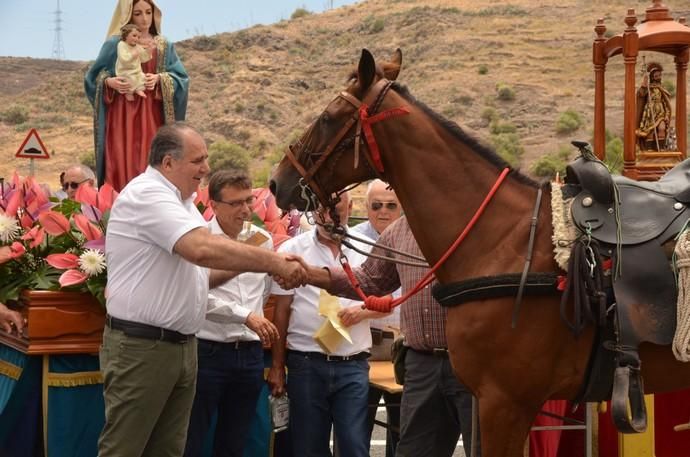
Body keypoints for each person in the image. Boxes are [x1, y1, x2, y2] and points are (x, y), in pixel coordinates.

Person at [98, 122, 306, 457]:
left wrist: (268, 261)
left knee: (168, 450)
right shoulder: (149, 195)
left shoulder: (181, 201)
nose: (206, 168)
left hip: (180, 347)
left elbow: (198, 278)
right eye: (198, 160)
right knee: (126, 449)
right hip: (144, 347)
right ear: (167, 162)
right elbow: (201, 250)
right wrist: (274, 263)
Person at [298, 215, 480, 457]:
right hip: (421, 364)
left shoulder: (477, 221)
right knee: (415, 452)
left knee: (484, 450)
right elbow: (369, 280)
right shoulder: (398, 230)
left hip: (473, 363)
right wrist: (309, 274)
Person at [268, 193, 384, 457]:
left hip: (353, 364)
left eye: (337, 206)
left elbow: (389, 300)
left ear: (351, 206)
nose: (329, 213)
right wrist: (277, 366)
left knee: (355, 447)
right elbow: (281, 311)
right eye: (322, 206)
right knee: (308, 448)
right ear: (313, 209)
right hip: (307, 363)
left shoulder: (369, 247)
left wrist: (363, 312)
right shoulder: (291, 251)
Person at [184, 169, 280, 457]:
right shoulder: (199, 242)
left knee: (235, 440)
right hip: (208, 352)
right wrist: (245, 315)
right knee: (191, 437)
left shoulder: (263, 239)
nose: (245, 209)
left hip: (250, 354)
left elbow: (263, 291)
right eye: (235, 203)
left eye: (248, 201)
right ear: (213, 205)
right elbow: (198, 296)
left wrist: (252, 316)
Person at [85, 0, 189, 192]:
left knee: (150, 157)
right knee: (121, 158)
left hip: (152, 116)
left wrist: (160, 79)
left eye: (148, 12)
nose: (144, 19)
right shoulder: (115, 44)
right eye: (138, 13)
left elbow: (181, 79)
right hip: (121, 118)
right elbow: (93, 78)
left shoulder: (163, 46)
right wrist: (109, 83)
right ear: (128, 16)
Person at [351, 179, 403, 457]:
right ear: (366, 207)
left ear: (401, 207)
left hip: (402, 351)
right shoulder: (351, 239)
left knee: (401, 431)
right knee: (358, 431)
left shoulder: (415, 236)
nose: (383, 211)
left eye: (391, 205)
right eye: (376, 205)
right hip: (363, 351)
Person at [636, 62, 673, 151]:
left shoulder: (661, 88)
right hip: (649, 113)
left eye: (659, 76)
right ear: (652, 77)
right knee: (650, 131)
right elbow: (641, 94)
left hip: (661, 113)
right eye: (656, 76)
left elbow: (666, 103)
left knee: (662, 128)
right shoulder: (648, 88)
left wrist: (667, 115)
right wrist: (644, 84)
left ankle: (661, 148)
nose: (658, 78)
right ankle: (649, 150)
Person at [116, 24, 151, 101]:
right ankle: (129, 92)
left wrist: (148, 51)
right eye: (134, 36)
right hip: (125, 71)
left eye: (138, 37)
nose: (136, 39)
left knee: (143, 78)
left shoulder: (137, 46)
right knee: (130, 80)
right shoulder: (121, 44)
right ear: (126, 35)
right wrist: (132, 55)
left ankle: (138, 89)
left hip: (136, 70)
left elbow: (143, 58)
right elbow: (123, 58)